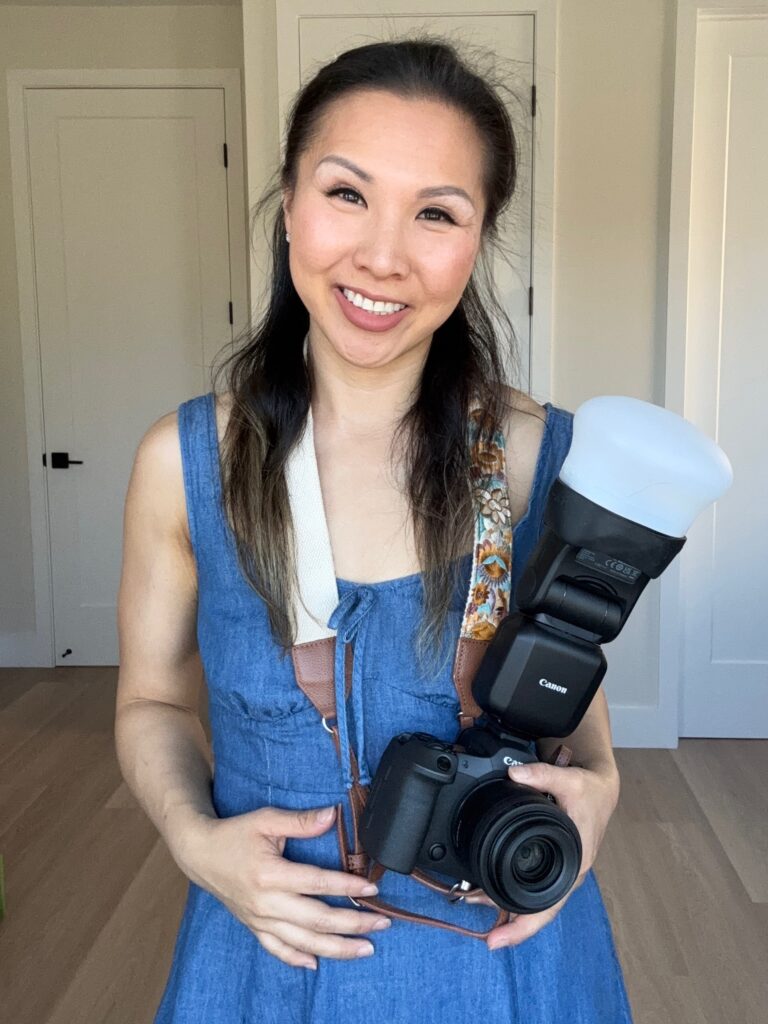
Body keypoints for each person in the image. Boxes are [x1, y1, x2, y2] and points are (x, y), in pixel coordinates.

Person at [115, 36, 634, 1023]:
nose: (382, 256)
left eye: (436, 211)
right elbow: (148, 700)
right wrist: (194, 840)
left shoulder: (538, 462)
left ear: (477, 238)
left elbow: (572, 717)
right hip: (268, 960)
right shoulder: (186, 466)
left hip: (510, 965)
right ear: (289, 200)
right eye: (346, 193)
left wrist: (601, 788)